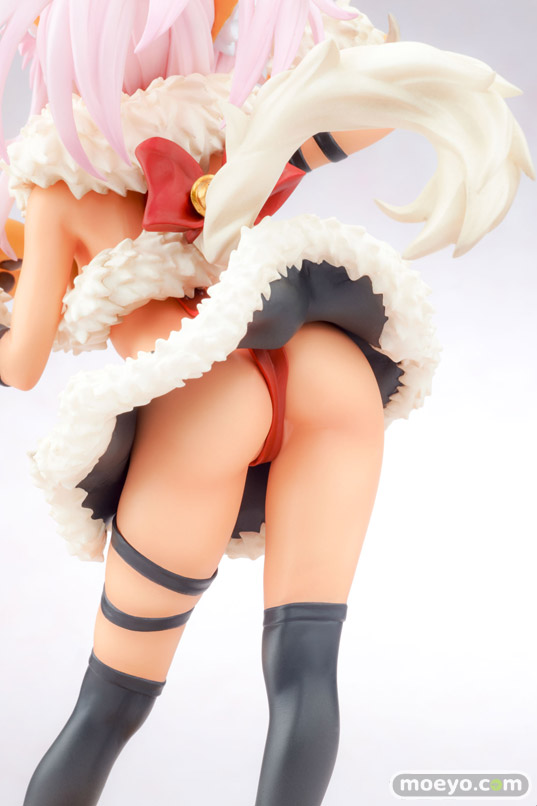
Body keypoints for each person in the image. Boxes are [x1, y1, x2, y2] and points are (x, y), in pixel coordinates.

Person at [0, 2, 533, 804]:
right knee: (305, 670)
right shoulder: (228, 132)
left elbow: (23, 364)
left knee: (110, 702)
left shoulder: (57, 187)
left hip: (203, 399)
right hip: (324, 367)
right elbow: (365, 113)